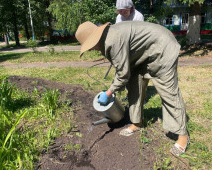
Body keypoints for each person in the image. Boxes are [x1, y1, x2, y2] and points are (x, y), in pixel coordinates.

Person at [75, 21, 189, 156]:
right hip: (141, 55)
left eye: (91, 47)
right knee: (134, 86)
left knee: (168, 91)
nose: (92, 49)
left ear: (95, 40)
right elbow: (123, 71)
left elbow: (122, 75)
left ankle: (182, 136)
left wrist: (109, 92)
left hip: (162, 47)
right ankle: (137, 122)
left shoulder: (112, 40)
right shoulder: (107, 38)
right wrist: (113, 88)